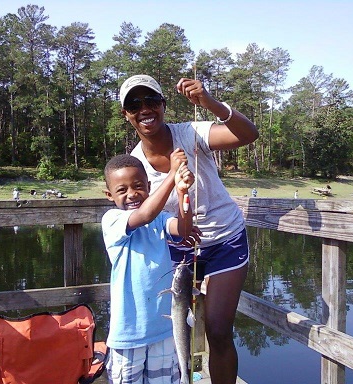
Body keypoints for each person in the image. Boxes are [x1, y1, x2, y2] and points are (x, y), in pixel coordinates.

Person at [119, 74, 259, 384]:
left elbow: (248, 134)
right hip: (177, 249)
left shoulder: (191, 133)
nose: (145, 109)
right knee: (171, 330)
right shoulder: (135, 163)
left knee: (219, 330)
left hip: (225, 239)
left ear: (163, 105)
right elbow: (139, 213)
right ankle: (182, 377)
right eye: (134, 104)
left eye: (152, 101)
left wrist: (209, 103)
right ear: (126, 114)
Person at [101, 149, 195, 384]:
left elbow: (183, 230)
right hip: (128, 335)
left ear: (149, 186)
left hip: (163, 330)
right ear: (109, 195)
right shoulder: (112, 220)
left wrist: (183, 192)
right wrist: (172, 175)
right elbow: (143, 215)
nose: (132, 194)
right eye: (122, 190)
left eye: (138, 186)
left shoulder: (161, 219)